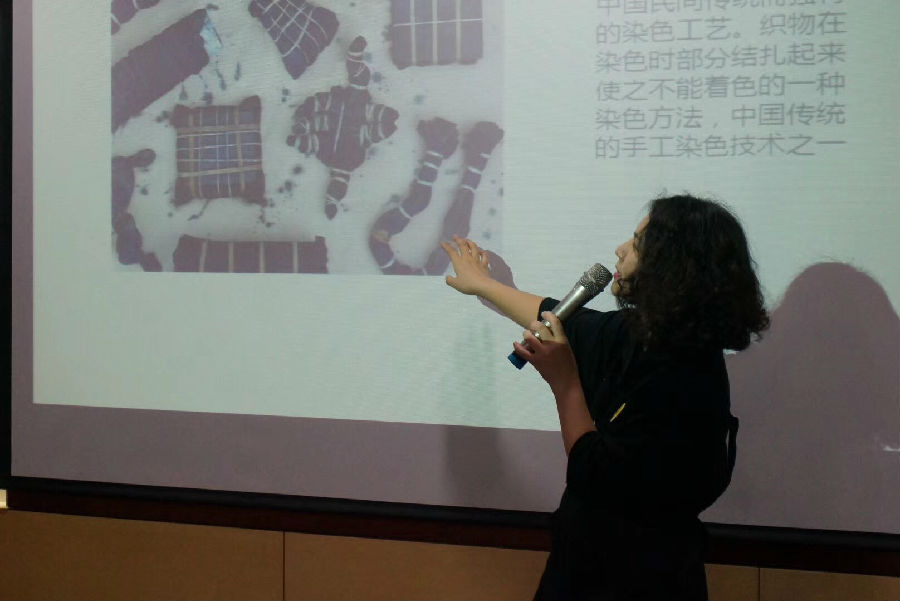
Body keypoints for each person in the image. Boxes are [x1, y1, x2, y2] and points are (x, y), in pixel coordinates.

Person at [440, 194, 769, 600]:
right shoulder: (639, 333)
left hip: (640, 581)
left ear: (671, 266)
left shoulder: (686, 377)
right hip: (583, 566)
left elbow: (594, 471)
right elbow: (560, 318)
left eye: (637, 243)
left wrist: (565, 383)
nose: (620, 249)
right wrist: (485, 285)